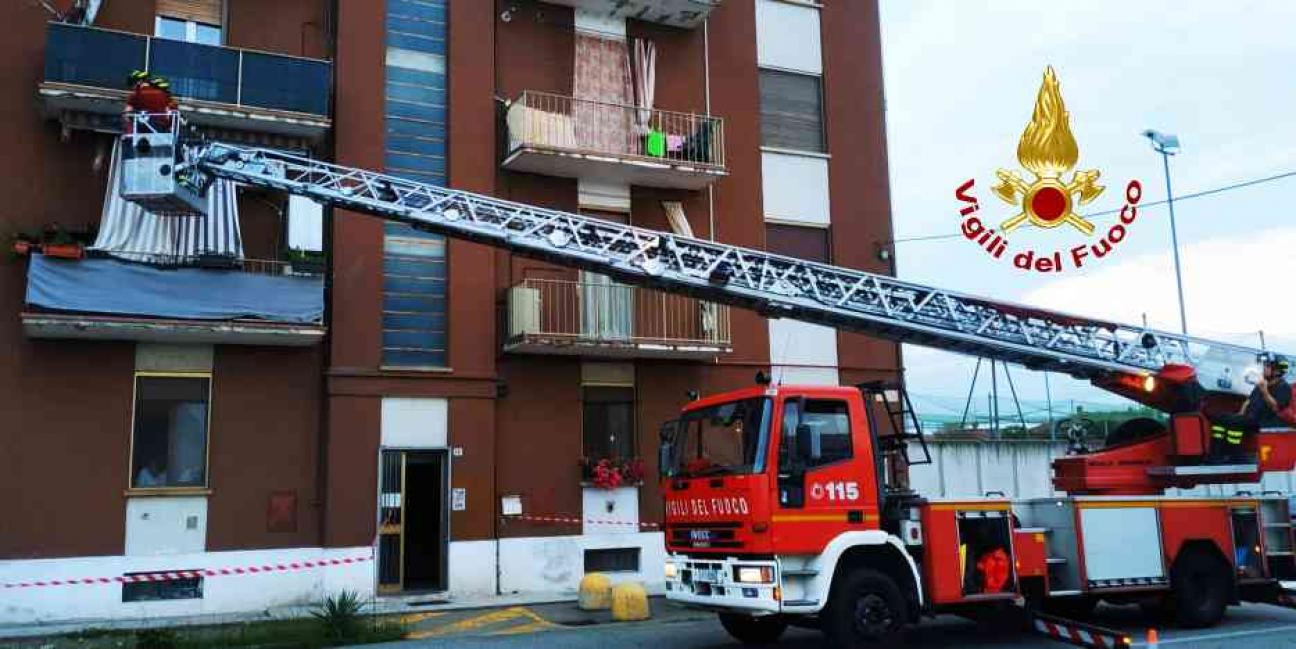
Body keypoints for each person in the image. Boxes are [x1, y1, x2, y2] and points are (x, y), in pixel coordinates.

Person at [1209, 355, 1291, 462]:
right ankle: (1216, 455)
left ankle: (1236, 457)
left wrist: (1264, 391)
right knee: (1219, 418)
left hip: (1264, 422)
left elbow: (1276, 407)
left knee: (1234, 423)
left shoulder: (1284, 387)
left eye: (1267, 366)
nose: (1264, 368)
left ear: (1277, 371)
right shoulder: (1261, 384)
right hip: (1250, 418)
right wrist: (1240, 414)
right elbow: (1248, 401)